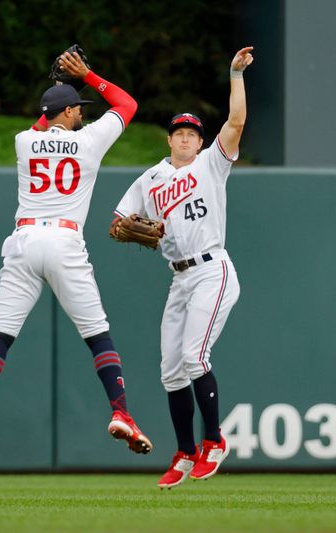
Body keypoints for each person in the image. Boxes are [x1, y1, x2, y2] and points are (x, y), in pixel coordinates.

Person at [0, 50, 152, 459]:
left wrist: (58, 98)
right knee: (96, 333)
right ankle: (120, 412)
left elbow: (43, 124)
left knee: (1, 332)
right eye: (77, 109)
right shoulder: (89, 141)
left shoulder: (24, 141)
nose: (82, 114)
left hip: (23, 242)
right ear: (67, 112)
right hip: (65, 243)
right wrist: (88, 76)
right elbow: (127, 104)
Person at [111, 46, 253, 489]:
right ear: (169, 139)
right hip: (179, 277)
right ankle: (185, 452)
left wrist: (235, 75)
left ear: (200, 140)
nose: (187, 138)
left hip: (213, 269)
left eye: (193, 133)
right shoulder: (150, 179)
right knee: (171, 370)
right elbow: (117, 223)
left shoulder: (212, 164)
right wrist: (127, 229)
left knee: (194, 357)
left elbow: (236, 123)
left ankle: (214, 441)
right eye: (180, 132)